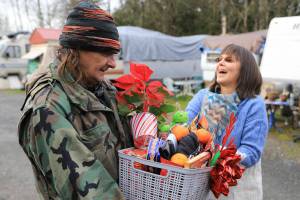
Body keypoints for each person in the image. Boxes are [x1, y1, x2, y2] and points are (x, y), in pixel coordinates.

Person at [18, 2, 133, 199]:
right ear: (77, 49)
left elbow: (128, 146)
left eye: (114, 54)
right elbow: (90, 192)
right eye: (105, 52)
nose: (112, 63)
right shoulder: (48, 107)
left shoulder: (102, 89)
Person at [186, 44, 268, 200]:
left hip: (235, 189)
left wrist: (212, 154)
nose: (220, 63)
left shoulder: (253, 104)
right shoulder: (203, 96)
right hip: (198, 187)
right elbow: (184, 129)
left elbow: (251, 152)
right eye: (219, 59)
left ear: (245, 70)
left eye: (228, 60)